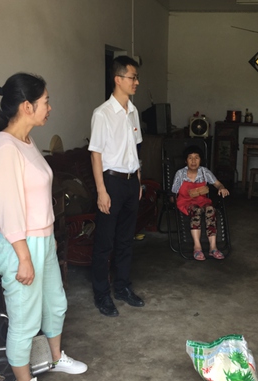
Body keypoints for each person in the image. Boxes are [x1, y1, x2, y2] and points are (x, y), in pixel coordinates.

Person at [0, 73, 88, 381]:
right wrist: (24, 258)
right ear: (27, 106)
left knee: (55, 304)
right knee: (24, 320)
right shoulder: (4, 148)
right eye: (45, 102)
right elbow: (9, 209)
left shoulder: (26, 142)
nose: (49, 108)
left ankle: (55, 358)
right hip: (20, 247)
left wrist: (48, 241)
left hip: (43, 240)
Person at [89, 56, 144, 317]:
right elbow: (96, 154)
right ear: (118, 79)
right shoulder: (102, 114)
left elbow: (135, 148)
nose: (136, 82)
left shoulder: (133, 111)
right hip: (111, 182)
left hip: (131, 182)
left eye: (136, 77)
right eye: (133, 77)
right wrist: (101, 191)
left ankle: (122, 287)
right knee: (104, 242)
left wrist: (139, 180)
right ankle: (102, 294)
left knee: (125, 240)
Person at [171, 145, 229, 261]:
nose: (193, 161)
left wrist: (222, 188)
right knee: (196, 210)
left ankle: (213, 248)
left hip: (201, 201)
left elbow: (218, 184)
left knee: (210, 210)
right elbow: (173, 193)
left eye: (196, 158)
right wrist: (172, 202)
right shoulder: (180, 174)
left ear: (200, 160)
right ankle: (197, 248)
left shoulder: (204, 172)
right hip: (186, 202)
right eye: (190, 158)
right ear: (186, 160)